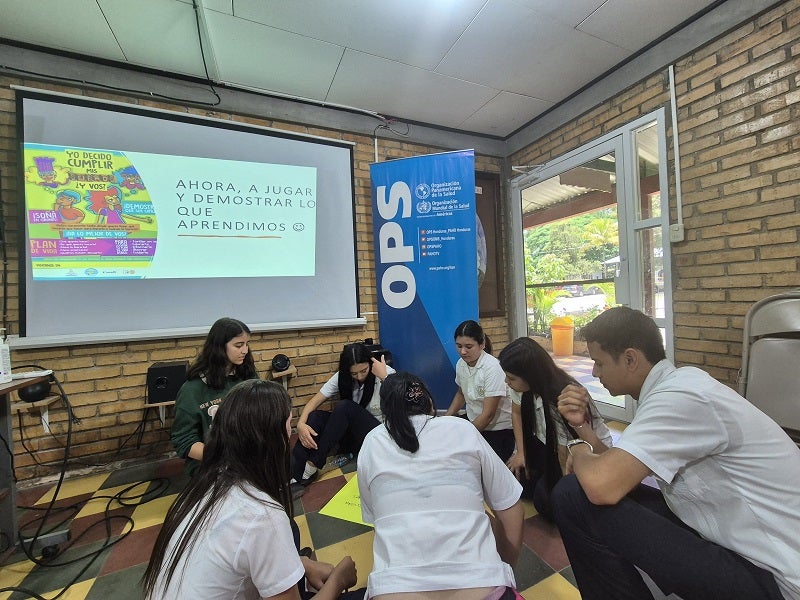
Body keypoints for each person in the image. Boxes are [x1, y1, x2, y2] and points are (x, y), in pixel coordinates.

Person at [552, 306, 800, 600]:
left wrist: (577, 448)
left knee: (573, 494)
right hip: (736, 545)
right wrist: (582, 428)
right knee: (592, 488)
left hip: (776, 578)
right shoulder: (676, 386)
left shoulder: (680, 396)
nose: (594, 372)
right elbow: (620, 470)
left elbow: (602, 486)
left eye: (600, 363)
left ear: (630, 358)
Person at [143, 379, 359, 600]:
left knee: (291, 530)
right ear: (272, 439)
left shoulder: (203, 485)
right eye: (288, 424)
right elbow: (254, 532)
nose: (290, 432)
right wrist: (338, 580)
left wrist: (301, 565)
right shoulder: (263, 516)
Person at [358, 372, 525, 600]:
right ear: (429, 403)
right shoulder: (462, 429)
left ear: (386, 411)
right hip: (482, 586)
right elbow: (512, 509)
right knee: (486, 519)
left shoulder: (372, 441)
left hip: (394, 588)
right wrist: (501, 570)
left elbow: (376, 517)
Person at [498, 337, 612, 521]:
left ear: (530, 375)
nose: (506, 381)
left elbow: (565, 454)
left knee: (546, 503)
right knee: (517, 482)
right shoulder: (524, 388)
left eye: (511, 378)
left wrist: (562, 489)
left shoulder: (561, 398)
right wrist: (520, 452)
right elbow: (517, 414)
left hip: (584, 454)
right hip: (548, 446)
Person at [292, 342, 392, 488]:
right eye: (354, 373)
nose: (359, 376)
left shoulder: (384, 372)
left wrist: (385, 378)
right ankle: (296, 472)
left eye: (364, 370)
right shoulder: (342, 377)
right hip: (352, 436)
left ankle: (314, 462)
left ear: (370, 363)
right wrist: (300, 424)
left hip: (378, 436)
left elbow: (402, 405)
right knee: (315, 417)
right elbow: (314, 402)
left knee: (345, 407)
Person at [171, 317, 258, 476]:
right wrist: (224, 458)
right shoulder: (192, 390)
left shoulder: (247, 376)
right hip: (213, 464)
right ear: (219, 347)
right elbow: (184, 441)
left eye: (247, 344)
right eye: (238, 345)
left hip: (249, 458)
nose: (245, 350)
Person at [445, 320, 514, 462]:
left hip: (497, 430)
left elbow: (488, 415)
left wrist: (465, 438)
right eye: (459, 346)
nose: (463, 351)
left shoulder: (492, 368)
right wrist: (446, 418)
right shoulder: (461, 364)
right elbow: (461, 393)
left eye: (468, 346)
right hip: (473, 423)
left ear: (482, 344)